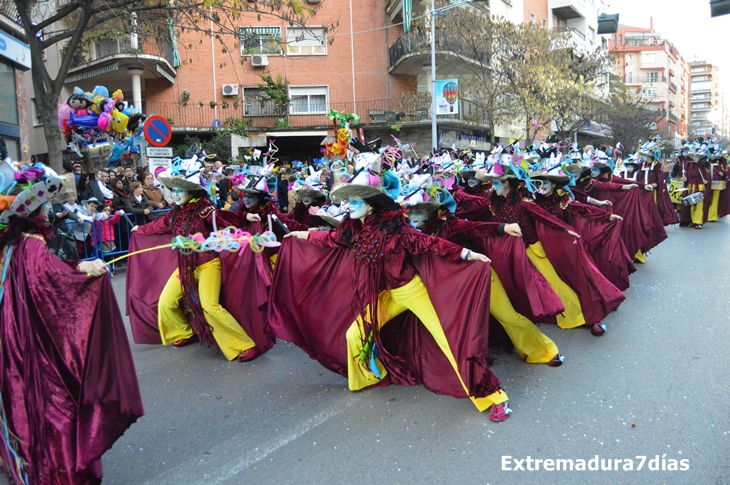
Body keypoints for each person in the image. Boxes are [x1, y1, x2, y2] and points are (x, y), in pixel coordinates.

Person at [276, 182, 513, 421]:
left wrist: (467, 254)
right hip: (384, 295)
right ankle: (372, 377)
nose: (349, 206)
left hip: (411, 291)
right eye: (349, 202)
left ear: (370, 206)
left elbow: (430, 243)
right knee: (354, 336)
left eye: (355, 202)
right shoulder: (355, 230)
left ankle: (495, 398)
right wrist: (303, 234)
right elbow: (332, 239)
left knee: (450, 341)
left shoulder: (395, 230)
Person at [0, 164, 143, 485]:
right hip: (33, 343)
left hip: (13, 339)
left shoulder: (13, 245)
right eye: (46, 204)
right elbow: (50, 282)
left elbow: (48, 271)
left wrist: (78, 263)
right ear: (33, 210)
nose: (51, 210)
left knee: (22, 400)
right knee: (56, 406)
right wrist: (84, 274)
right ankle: (59, 471)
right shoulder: (32, 244)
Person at [129, 158, 273, 362]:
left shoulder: (205, 209)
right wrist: (140, 230)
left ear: (191, 191)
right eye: (174, 190)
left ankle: (244, 344)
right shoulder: (175, 213)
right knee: (166, 302)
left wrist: (244, 218)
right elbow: (159, 225)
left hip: (208, 265)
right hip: (185, 267)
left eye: (180, 190)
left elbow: (223, 218)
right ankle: (184, 332)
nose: (176, 194)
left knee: (209, 305)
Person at [405, 197, 564, 367]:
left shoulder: (449, 226)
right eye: (411, 213)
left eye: (418, 212)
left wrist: (503, 227)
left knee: (508, 317)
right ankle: (470, 363)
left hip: (480, 278)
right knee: (458, 324)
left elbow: (475, 228)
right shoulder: (415, 235)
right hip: (453, 286)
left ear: (431, 214)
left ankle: (545, 351)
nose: (413, 217)